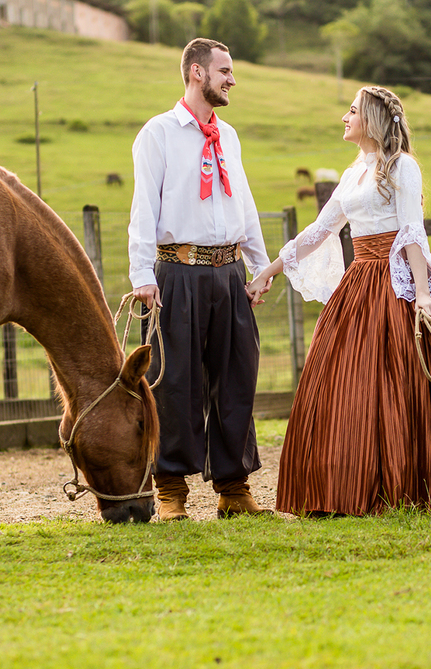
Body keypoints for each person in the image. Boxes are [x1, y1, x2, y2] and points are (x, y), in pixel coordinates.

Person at [246, 86, 431, 515]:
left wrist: (423, 294)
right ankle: (345, 484)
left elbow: (411, 231)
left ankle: (415, 482)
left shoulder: (402, 166)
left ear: (372, 120)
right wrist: (268, 271)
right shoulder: (352, 173)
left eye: (352, 111)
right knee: (348, 383)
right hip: (360, 281)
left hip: (399, 279)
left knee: (407, 382)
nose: (345, 118)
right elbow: (319, 231)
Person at [129, 38, 273, 521]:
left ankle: (233, 488)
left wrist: (259, 267)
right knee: (175, 384)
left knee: (236, 380)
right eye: (224, 71)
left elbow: (244, 203)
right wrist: (142, 274)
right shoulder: (158, 133)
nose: (232, 79)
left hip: (229, 274)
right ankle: (170, 490)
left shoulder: (228, 135)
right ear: (197, 72)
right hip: (177, 272)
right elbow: (143, 207)